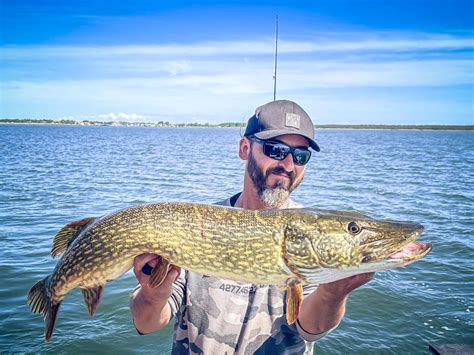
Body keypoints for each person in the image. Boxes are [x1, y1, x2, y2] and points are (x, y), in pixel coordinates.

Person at [130, 99, 373, 354]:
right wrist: (154, 293)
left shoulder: (312, 235)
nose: (288, 165)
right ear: (245, 148)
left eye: (300, 156)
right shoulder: (194, 226)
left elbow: (310, 328)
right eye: (275, 150)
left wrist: (332, 293)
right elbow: (146, 324)